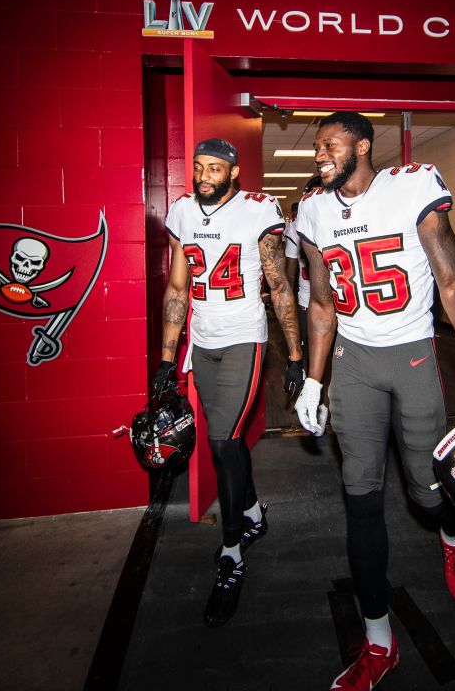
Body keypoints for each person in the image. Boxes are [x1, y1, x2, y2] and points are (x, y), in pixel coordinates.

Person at [291, 112, 455, 688]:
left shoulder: (412, 187)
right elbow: (321, 306)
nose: (320, 153)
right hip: (354, 363)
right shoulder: (314, 211)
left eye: (331, 143)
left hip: (413, 357)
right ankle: (378, 642)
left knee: (428, 497)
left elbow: (452, 281)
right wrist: (313, 379)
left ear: (363, 145)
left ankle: (452, 536)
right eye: (317, 145)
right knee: (361, 498)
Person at [153, 138, 306, 627]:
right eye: (198, 167)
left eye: (214, 168)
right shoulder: (181, 212)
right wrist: (165, 357)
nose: (203, 175)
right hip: (202, 341)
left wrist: (296, 356)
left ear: (234, 173)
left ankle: (233, 550)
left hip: (243, 337)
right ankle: (255, 508)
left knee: (221, 440)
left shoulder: (257, 210)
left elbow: (278, 283)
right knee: (228, 440)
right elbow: (178, 287)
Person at [283, 175, 323, 368]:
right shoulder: (295, 228)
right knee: (310, 355)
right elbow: (290, 273)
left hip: (341, 305)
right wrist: (288, 306)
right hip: (307, 302)